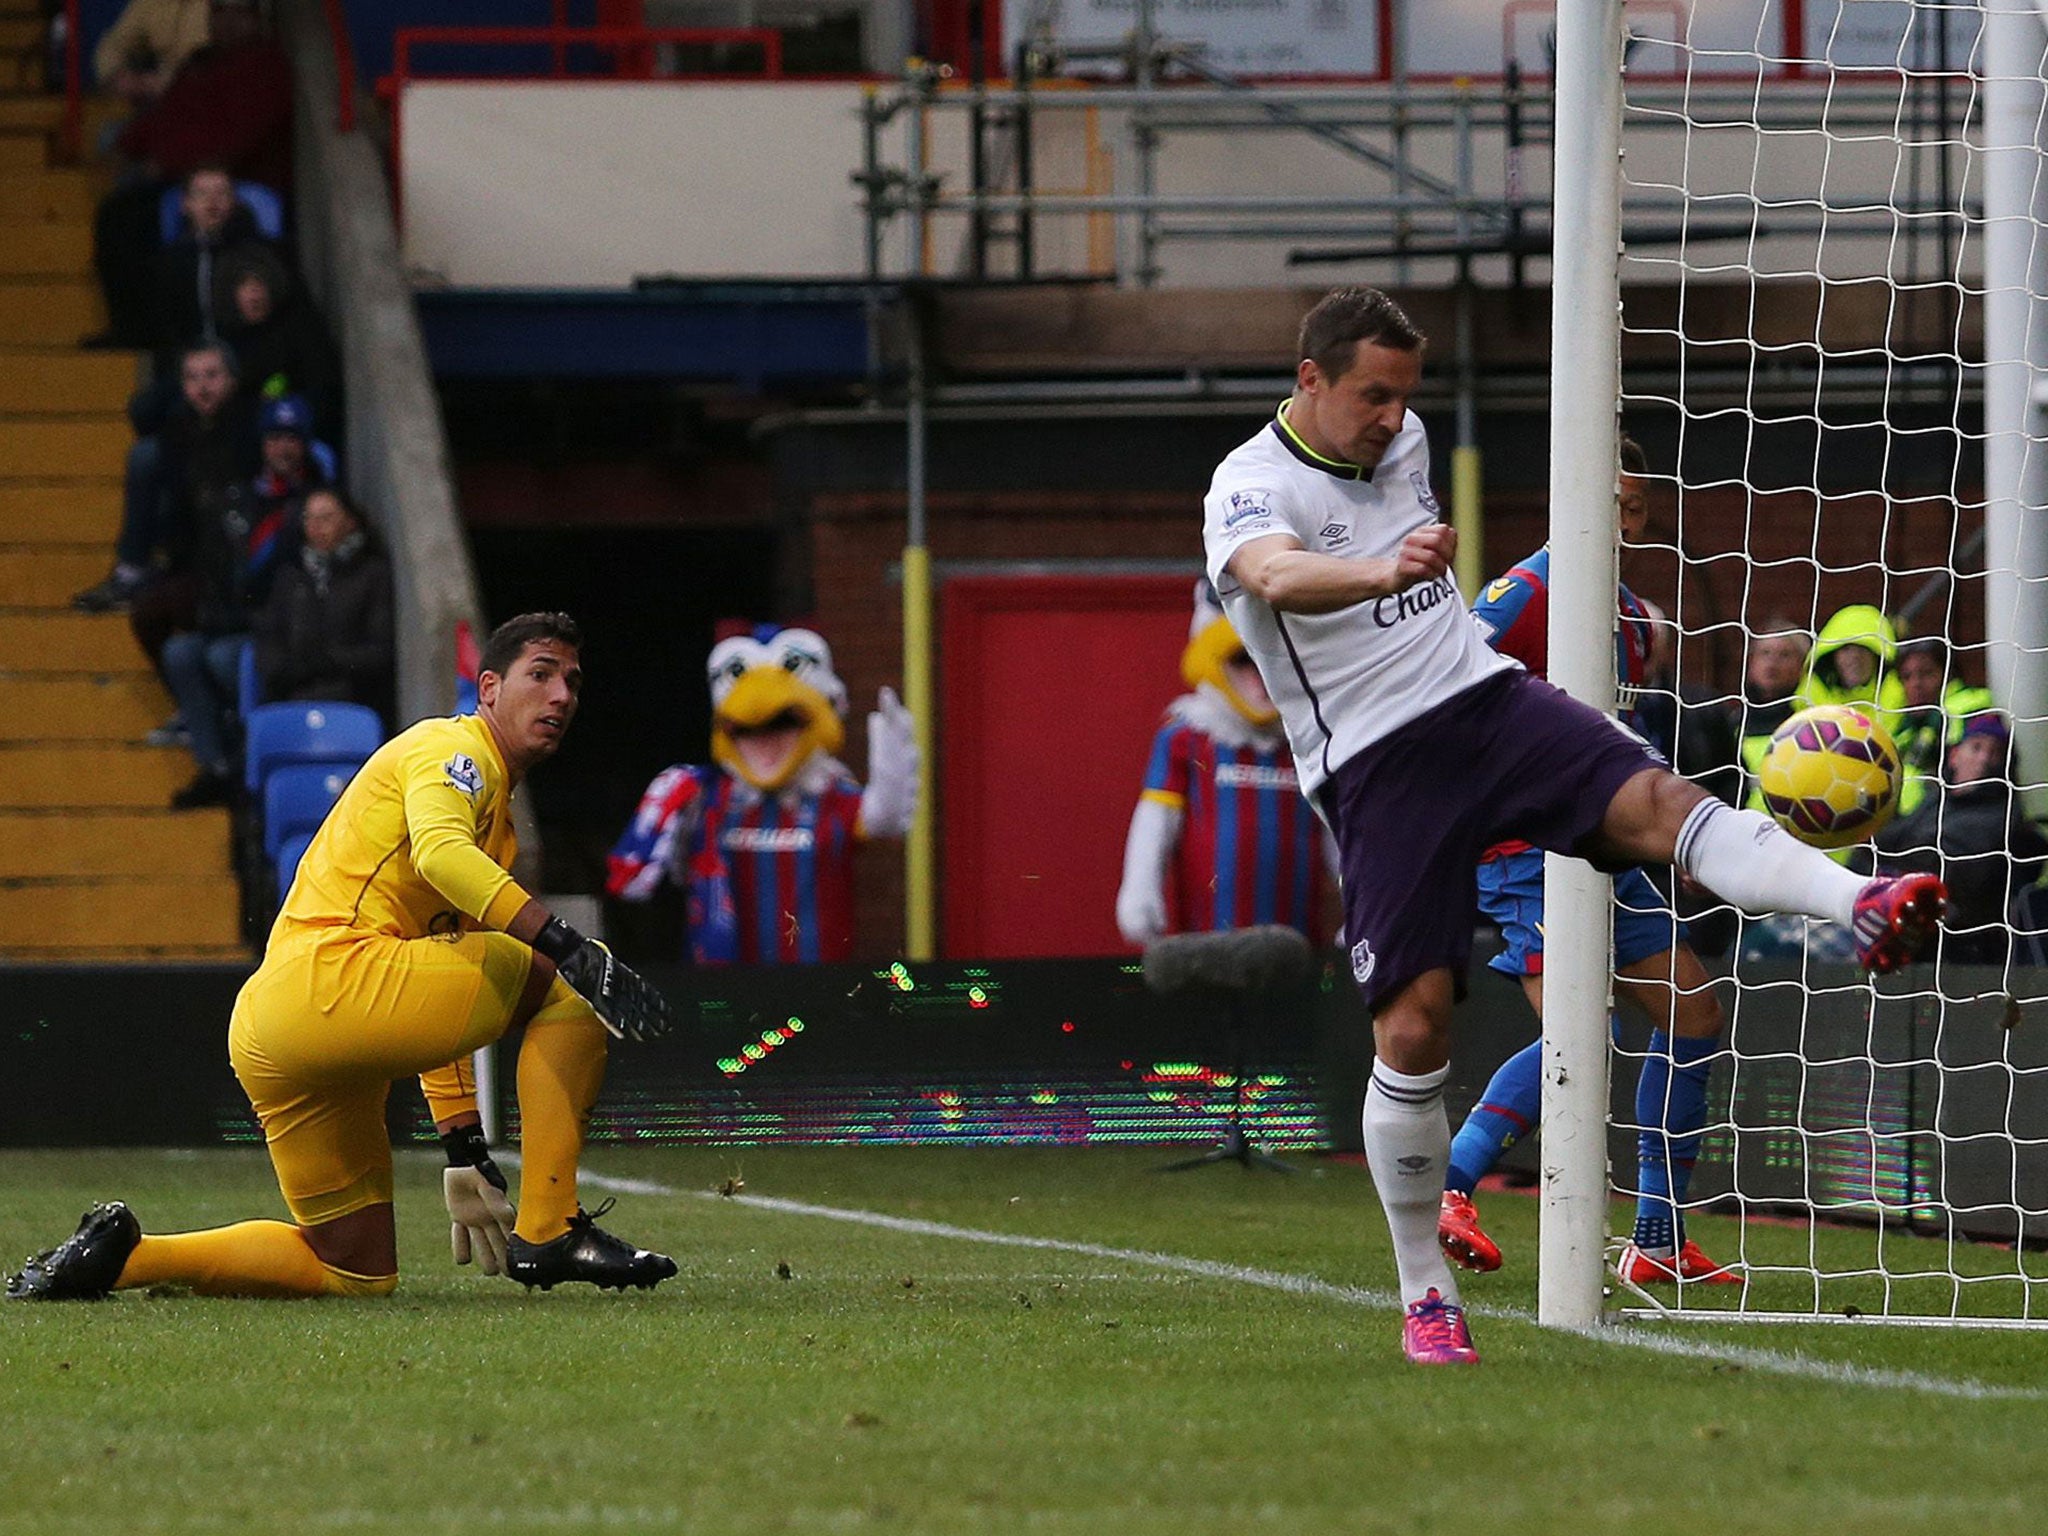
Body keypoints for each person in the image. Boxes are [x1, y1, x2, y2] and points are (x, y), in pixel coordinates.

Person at [1202, 286, 1946, 1365]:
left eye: (1403, 395)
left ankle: (1861, 899)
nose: (1391, 417)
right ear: (1308, 378)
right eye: (1371, 395)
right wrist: (1379, 571)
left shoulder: (1404, 440)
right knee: (1413, 1031)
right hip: (1375, 762)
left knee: (1662, 806)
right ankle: (1424, 1292)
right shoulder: (1250, 483)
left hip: (1484, 701)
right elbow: (1274, 574)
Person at [6, 613, 678, 1302]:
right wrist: (565, 944)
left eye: (572, 682)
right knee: (573, 983)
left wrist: (464, 1146)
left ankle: (124, 1259)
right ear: (488, 689)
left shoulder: (491, 815)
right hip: (337, 979)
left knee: (354, 1271)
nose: (561, 695)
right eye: (540, 674)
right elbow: (442, 855)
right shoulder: (458, 750)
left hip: (276, 1027)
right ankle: (551, 1229)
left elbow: (438, 960)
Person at [1437, 437, 1736, 1289]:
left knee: (1692, 1014)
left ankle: (1657, 1237)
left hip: (1604, 847)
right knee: (1582, 1033)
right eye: (1614, 505)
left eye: (1637, 508)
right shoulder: (1524, 593)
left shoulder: (1635, 621)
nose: (1627, 523)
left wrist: (1676, 830)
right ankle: (1448, 1189)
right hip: (1525, 847)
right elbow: (1446, 692)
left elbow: (1619, 745)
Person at [608, 625, 917, 963]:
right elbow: (637, 883)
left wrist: (891, 765)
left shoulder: (833, 798)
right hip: (724, 982)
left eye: (784, 724)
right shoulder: (704, 798)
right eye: (747, 730)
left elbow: (883, 821)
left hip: (820, 981)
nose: (766, 740)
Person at [1116, 580, 1329, 945]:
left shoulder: (1310, 740)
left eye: (1269, 662)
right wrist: (1140, 892)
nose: (1261, 679)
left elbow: (1338, 830)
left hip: (1299, 946)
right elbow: (1156, 821)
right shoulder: (1188, 738)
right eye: (1245, 661)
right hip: (1207, 942)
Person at [1876, 711, 2048, 965]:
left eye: (1995, 752)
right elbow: (1886, 841)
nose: (1984, 758)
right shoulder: (1936, 799)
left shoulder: (2001, 818)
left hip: (1948, 943)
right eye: (1976, 747)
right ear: (1954, 755)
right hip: (1892, 913)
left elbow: (1948, 866)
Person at [253, 487, 394, 726]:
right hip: (292, 692)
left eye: (326, 518)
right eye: (309, 518)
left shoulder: (372, 575)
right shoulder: (291, 576)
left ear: (350, 522)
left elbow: (379, 651)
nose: (316, 526)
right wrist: (286, 670)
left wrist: (327, 662)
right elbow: (269, 638)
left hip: (352, 696)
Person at [1892, 637, 1993, 818]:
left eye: (1926, 673)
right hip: (1912, 821)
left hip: (1959, 815)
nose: (1916, 684)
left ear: (1947, 674)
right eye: (1907, 677)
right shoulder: (1903, 727)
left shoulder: (1968, 707)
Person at [1733, 619, 1810, 811]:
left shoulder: (1811, 725)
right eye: (1765, 653)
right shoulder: (1731, 723)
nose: (1772, 662)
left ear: (1802, 666)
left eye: (1784, 655)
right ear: (1751, 663)